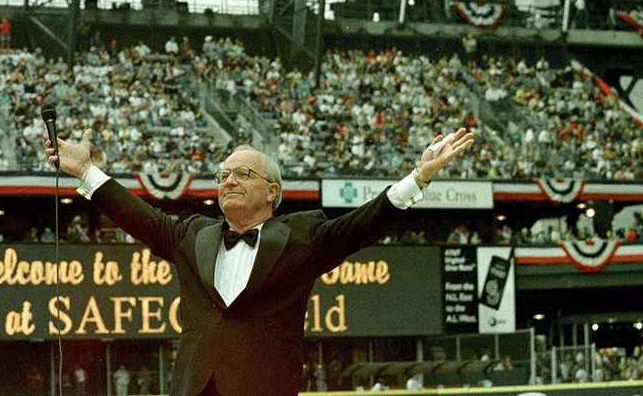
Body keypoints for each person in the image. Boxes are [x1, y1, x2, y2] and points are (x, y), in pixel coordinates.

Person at [46, 128, 474, 396]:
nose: (229, 181)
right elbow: (136, 216)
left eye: (242, 175)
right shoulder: (192, 234)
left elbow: (361, 225)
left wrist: (418, 178)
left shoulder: (304, 235)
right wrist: (87, 173)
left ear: (273, 191)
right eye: (223, 176)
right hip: (195, 387)